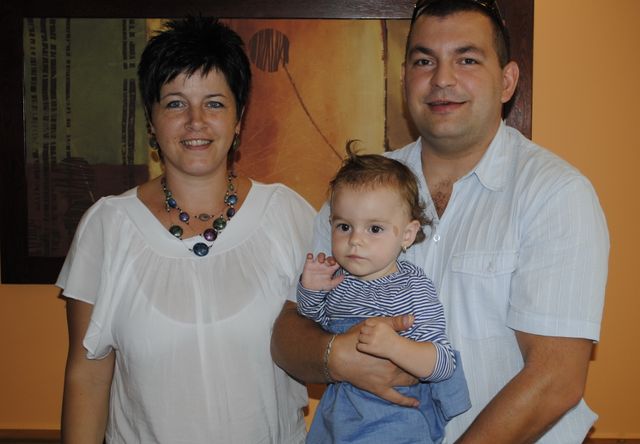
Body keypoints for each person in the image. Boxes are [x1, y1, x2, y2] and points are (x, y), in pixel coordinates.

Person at [271, 0, 609, 442]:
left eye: (467, 60)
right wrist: (336, 356)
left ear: (507, 81)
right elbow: (288, 333)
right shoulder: (357, 193)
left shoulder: (554, 194)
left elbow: (556, 379)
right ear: (405, 78)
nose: (442, 79)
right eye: (424, 61)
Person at [58, 17, 313, 443]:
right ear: (152, 120)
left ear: (239, 118)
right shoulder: (107, 225)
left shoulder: (288, 214)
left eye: (214, 103)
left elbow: (328, 335)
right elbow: (88, 375)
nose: (196, 121)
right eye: (176, 104)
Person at [297, 147, 470, 443]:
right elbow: (314, 321)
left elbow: (443, 363)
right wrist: (310, 289)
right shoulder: (338, 280)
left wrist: (394, 347)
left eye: (374, 228)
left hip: (396, 421)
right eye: (344, 226)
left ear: (407, 235)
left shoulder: (413, 286)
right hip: (340, 418)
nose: (355, 240)